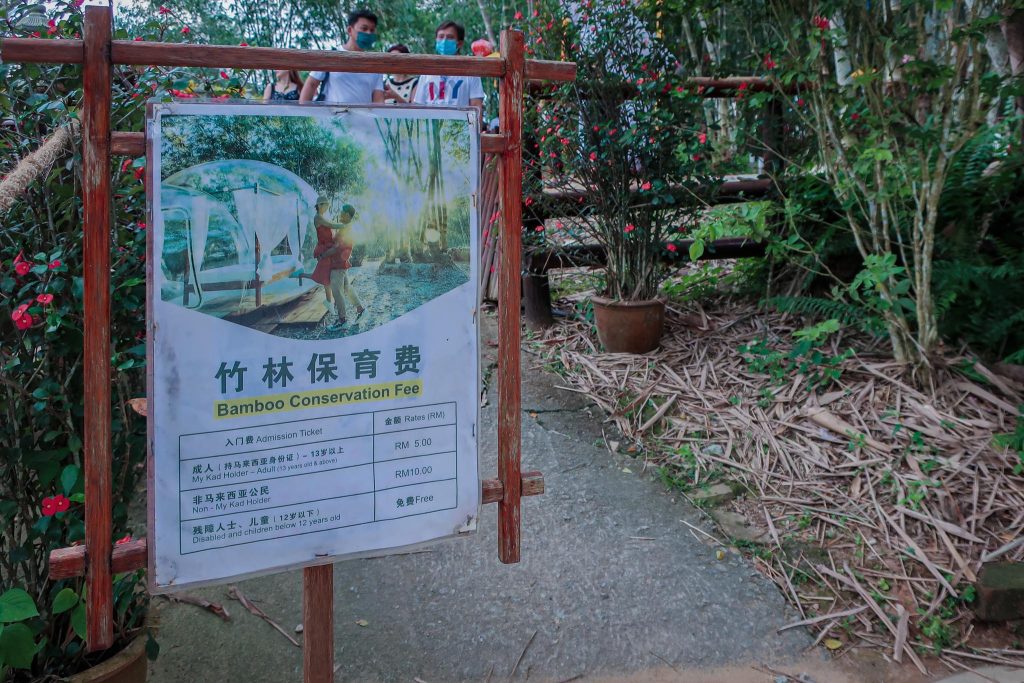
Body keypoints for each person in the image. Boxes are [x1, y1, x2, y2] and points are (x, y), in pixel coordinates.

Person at [299, 9, 386, 104]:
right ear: (350, 30)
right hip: (333, 118)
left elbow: (378, 98)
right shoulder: (330, 55)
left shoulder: (375, 63)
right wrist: (304, 115)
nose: (368, 33)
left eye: (372, 30)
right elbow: (311, 84)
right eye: (364, 29)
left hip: (364, 118)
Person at [412, 20, 485, 116]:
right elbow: (418, 107)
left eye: (450, 37)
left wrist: (475, 130)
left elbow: (476, 106)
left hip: (460, 128)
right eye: (441, 37)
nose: (444, 41)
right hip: (431, 127)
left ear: (459, 43)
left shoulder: (471, 71)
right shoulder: (427, 72)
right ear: (436, 40)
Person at [311, 197, 364, 325]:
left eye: (341, 212)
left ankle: (342, 320)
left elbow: (338, 247)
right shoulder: (345, 227)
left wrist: (323, 255)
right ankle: (361, 310)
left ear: (346, 215)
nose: (339, 214)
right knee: (346, 288)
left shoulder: (346, 228)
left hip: (338, 264)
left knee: (337, 291)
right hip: (339, 263)